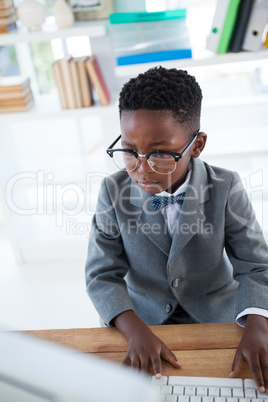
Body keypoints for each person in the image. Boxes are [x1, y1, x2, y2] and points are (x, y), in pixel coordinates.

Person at [85, 67, 268, 392]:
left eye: (160, 154)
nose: (141, 169)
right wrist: (136, 331)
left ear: (196, 146)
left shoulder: (225, 187)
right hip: (140, 319)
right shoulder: (113, 191)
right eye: (129, 151)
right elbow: (101, 276)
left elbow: (255, 265)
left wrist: (258, 324)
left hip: (218, 316)